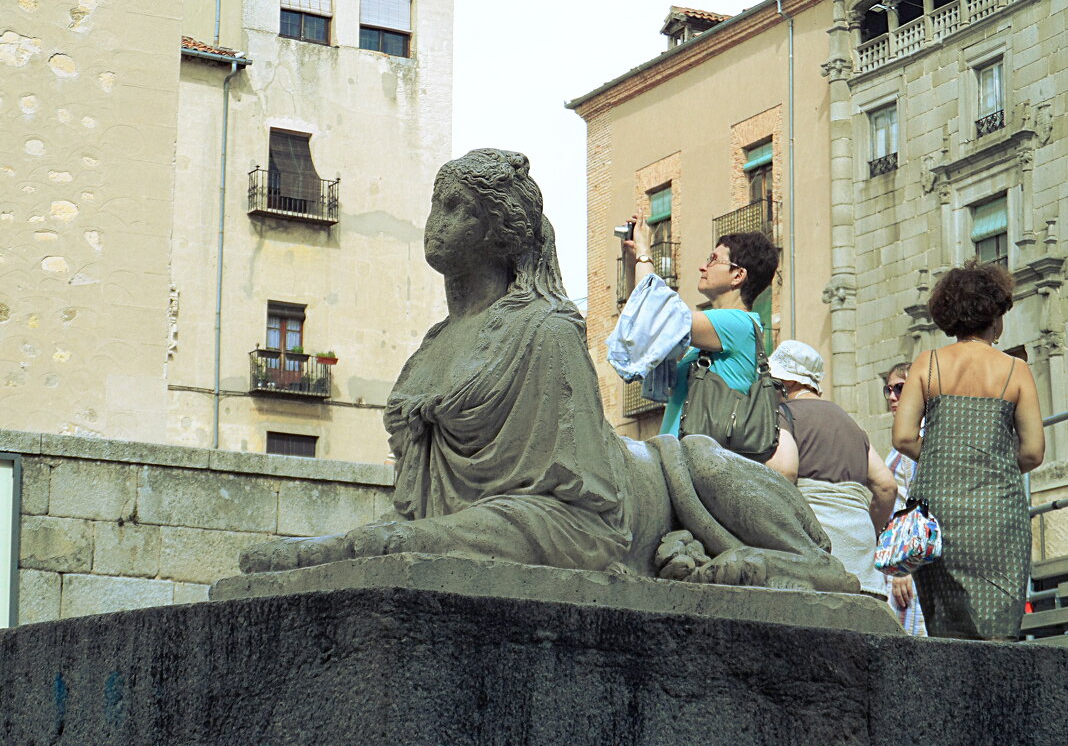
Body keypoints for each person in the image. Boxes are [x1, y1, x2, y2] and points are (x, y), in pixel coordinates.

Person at [239, 148, 860, 596]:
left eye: (457, 208)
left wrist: (642, 260)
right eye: (437, 204)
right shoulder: (433, 348)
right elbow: (423, 516)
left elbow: (577, 518)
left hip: (637, 494)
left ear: (501, 232)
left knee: (696, 460)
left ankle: (805, 565)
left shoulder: (548, 330)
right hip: (555, 504)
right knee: (395, 538)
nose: (437, 221)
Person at [893, 260, 1045, 640]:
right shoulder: (1015, 369)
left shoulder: (928, 364)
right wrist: (990, 465)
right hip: (998, 512)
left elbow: (904, 438)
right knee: (998, 632)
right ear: (993, 317)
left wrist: (947, 458)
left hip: (939, 514)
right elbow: (1033, 452)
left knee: (947, 632)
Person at [622, 215, 780, 439]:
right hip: (683, 459)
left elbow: (657, 314)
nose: (702, 266)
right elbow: (644, 319)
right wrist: (633, 260)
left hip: (698, 464)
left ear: (738, 275)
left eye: (713, 259)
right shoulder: (709, 341)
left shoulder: (739, 324)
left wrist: (645, 252)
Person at [769, 340, 898, 598]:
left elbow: (785, 471)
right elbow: (886, 486)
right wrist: (870, 530)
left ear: (789, 382)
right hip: (861, 564)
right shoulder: (850, 423)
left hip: (816, 559)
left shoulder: (783, 415)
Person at [882, 361, 927, 635]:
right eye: (887, 389)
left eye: (899, 388)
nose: (891, 396)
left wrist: (904, 567)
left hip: (911, 562)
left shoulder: (919, 436)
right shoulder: (904, 437)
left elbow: (918, 503)